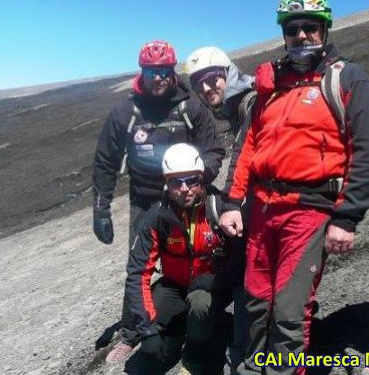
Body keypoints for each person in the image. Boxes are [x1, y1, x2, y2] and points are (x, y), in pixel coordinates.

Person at [219, 0, 369, 375]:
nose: (301, 36)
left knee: (291, 310)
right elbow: (248, 145)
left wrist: (347, 219)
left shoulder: (347, 78)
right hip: (261, 209)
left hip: (310, 211)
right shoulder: (271, 85)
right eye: (292, 29)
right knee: (257, 302)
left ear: (324, 30)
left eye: (310, 27)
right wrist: (231, 201)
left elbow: (368, 152)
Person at [92, 40, 225, 362]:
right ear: (142, 72)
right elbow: (106, 161)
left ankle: (205, 308)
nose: (159, 78)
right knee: (138, 265)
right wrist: (101, 208)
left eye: (165, 71)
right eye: (152, 72)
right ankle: (133, 330)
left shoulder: (189, 107)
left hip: (187, 195)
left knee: (201, 250)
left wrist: (197, 181)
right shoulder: (125, 111)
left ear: (172, 71)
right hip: (145, 198)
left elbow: (213, 149)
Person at [125, 143, 232, 375]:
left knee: (201, 303)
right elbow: (137, 275)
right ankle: (187, 329)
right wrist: (148, 331)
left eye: (191, 180)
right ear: (167, 183)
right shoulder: (157, 217)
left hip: (211, 288)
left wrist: (218, 281)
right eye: (176, 182)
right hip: (175, 285)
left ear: (201, 178)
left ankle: (194, 358)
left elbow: (243, 259)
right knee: (153, 347)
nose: (184, 188)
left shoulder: (220, 208)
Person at [185, 46, 256, 373]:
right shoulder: (237, 105)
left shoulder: (249, 103)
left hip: (271, 205)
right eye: (199, 82)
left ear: (228, 73)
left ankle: (245, 357)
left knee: (248, 277)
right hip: (264, 202)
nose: (206, 87)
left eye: (213, 78)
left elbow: (244, 156)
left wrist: (228, 203)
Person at [185, 46, 256, 138]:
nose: (206, 89)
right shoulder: (231, 110)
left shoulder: (252, 104)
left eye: (212, 79)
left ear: (227, 74)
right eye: (198, 86)